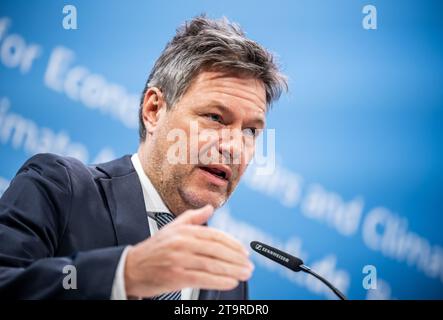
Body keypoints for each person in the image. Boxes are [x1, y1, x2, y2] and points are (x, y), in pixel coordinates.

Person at [0, 15, 287, 299]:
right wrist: (125, 275)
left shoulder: (228, 281)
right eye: (215, 117)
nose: (235, 146)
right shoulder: (60, 188)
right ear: (154, 110)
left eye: (250, 131)